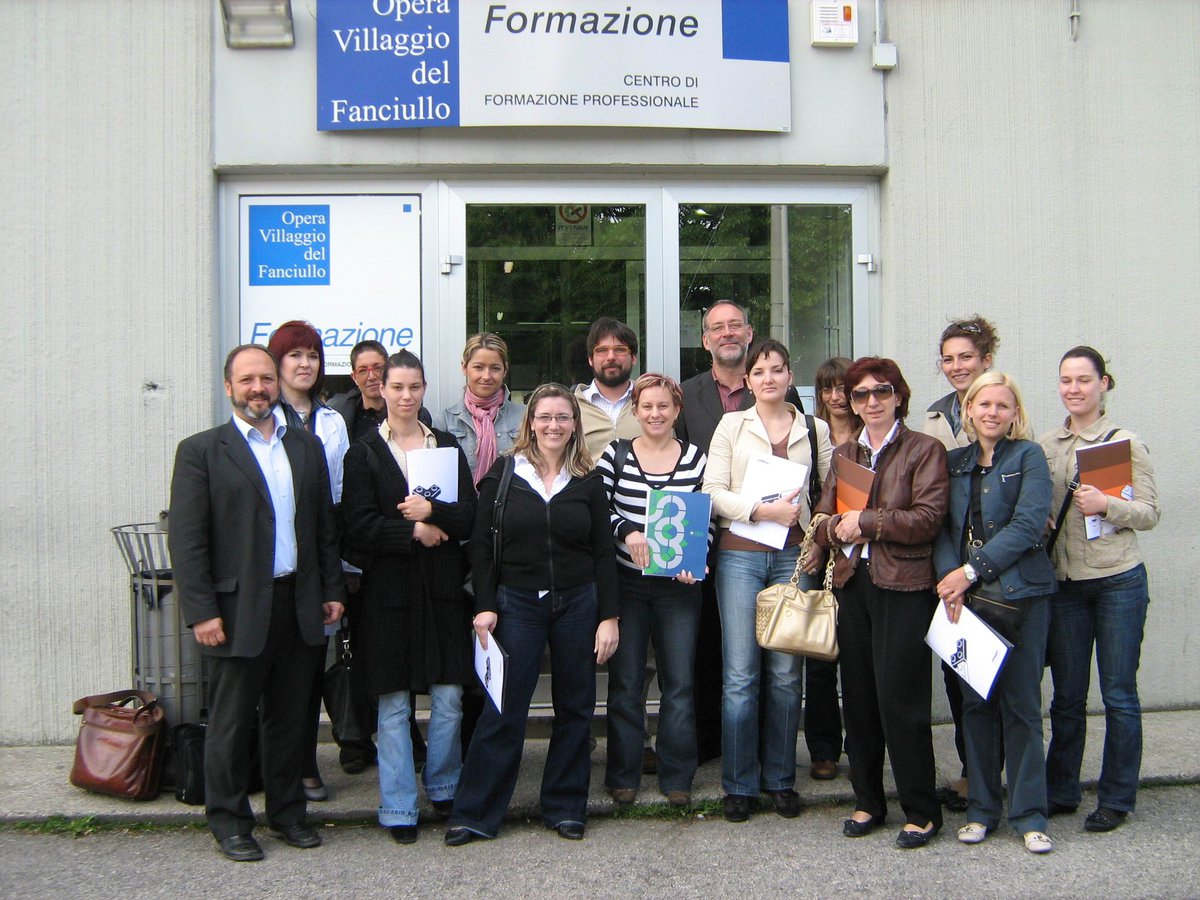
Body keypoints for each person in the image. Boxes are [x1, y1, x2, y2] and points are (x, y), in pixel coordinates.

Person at [168, 345, 344, 862]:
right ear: (229, 387)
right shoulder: (201, 451)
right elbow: (188, 542)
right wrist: (201, 612)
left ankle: (288, 815)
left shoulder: (305, 447)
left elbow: (323, 528)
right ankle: (229, 821)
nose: (258, 388)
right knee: (231, 722)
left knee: (290, 720)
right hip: (235, 611)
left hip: (298, 603)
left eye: (266, 378)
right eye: (247, 379)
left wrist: (331, 591)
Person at [446, 384, 620, 844]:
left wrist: (609, 615)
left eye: (563, 417)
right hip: (517, 603)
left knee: (576, 707)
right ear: (530, 423)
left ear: (575, 425)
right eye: (545, 417)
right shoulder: (504, 473)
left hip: (578, 603)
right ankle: (475, 813)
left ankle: (565, 807)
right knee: (503, 707)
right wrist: (485, 605)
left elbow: (603, 551)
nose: (553, 425)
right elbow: (481, 546)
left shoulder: (588, 480)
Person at [811, 356, 948, 849]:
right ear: (851, 402)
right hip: (853, 582)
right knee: (860, 699)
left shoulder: (923, 450)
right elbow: (822, 518)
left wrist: (866, 522)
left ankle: (921, 810)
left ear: (898, 396)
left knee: (902, 701)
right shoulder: (846, 454)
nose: (872, 401)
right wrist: (834, 527)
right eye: (861, 394)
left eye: (881, 391)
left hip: (904, 586)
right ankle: (868, 801)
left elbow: (928, 518)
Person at [341, 350, 477, 845]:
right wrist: (413, 531)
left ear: (423, 389)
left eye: (413, 387)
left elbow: (470, 516)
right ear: (381, 390)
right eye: (396, 387)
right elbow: (355, 528)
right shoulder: (363, 453)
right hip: (389, 594)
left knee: (449, 697)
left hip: (442, 591)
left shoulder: (446, 446)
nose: (405, 396)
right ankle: (398, 805)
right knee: (394, 704)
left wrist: (433, 512)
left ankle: (443, 786)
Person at [702, 339, 832, 823]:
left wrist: (818, 536)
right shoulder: (731, 425)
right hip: (740, 556)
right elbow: (712, 491)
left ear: (790, 376)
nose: (769, 378)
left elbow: (829, 495)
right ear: (748, 380)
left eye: (777, 369)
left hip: (794, 559)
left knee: (785, 675)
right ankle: (738, 784)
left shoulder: (814, 428)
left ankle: (780, 779)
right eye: (759, 371)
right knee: (740, 674)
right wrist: (760, 510)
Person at [675, 300, 804, 765]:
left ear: (749, 333)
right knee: (716, 648)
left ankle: (770, 751)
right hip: (711, 534)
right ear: (705, 340)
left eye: (735, 325)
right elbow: (681, 469)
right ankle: (713, 744)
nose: (727, 333)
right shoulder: (687, 393)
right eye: (717, 328)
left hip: (778, 541)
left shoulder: (783, 396)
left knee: (773, 659)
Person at [933, 372, 1056, 854]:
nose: (992, 412)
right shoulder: (954, 462)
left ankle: (1029, 815)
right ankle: (982, 810)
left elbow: (1028, 525)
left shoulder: (1029, 457)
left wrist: (969, 571)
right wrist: (951, 582)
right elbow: (942, 529)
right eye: (984, 404)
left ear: (1014, 414)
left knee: (1022, 707)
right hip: (967, 603)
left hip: (1023, 598)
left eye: (1002, 405)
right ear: (969, 410)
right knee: (976, 707)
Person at [1042, 346, 1160, 833]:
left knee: (1119, 695)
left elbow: (1149, 513)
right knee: (1067, 697)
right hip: (1066, 585)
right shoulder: (1047, 444)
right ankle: (1061, 790)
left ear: (1103, 384)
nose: (1074, 389)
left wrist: (1107, 506)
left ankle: (1116, 798)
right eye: (1066, 380)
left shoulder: (1125, 443)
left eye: (1084, 380)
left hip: (1118, 582)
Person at [596, 373, 712, 809]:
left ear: (677, 410)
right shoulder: (616, 454)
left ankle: (677, 775)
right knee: (626, 683)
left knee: (678, 684)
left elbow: (708, 518)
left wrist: (696, 560)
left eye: (664, 406)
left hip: (678, 589)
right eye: (646, 406)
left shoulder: (696, 459)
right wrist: (627, 531)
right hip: (627, 584)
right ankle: (623, 775)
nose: (655, 414)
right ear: (636, 411)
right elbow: (598, 510)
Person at [267, 320, 351, 803]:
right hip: (276, 560)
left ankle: (309, 762)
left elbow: (338, 495)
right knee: (278, 677)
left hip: (321, 553)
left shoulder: (332, 420)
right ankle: (283, 767)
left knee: (315, 667)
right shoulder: (263, 418)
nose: (305, 364)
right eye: (294, 355)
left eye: (313, 355)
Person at [923, 315, 1000, 811]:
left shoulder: (1003, 406)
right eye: (948, 359)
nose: (956, 366)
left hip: (993, 564)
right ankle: (973, 771)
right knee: (959, 671)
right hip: (949, 557)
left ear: (986, 360)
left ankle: (989, 777)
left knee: (993, 680)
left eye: (966, 357)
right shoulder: (935, 416)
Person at [432, 332, 526, 483]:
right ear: (464, 367)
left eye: (495, 368)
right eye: (478, 367)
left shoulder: (525, 416)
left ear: (505, 370)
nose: (486, 376)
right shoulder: (445, 420)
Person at [573, 317, 643, 460]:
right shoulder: (571, 407)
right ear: (590, 359)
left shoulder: (651, 404)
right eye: (602, 350)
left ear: (633, 357)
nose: (611, 357)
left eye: (620, 350)